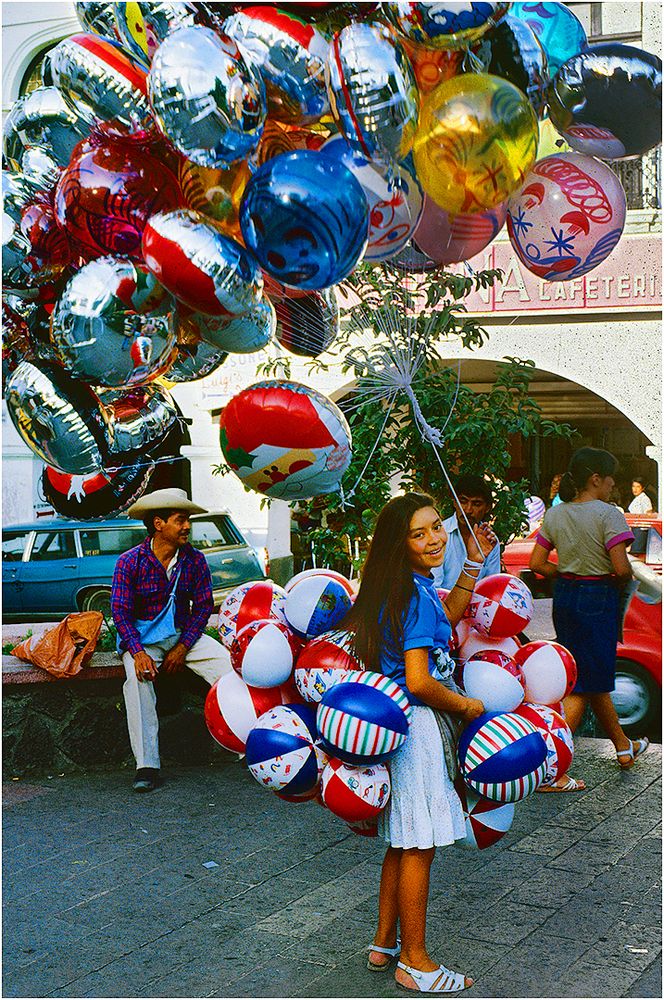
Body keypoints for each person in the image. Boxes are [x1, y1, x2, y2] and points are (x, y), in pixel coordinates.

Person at [342, 492, 497, 993]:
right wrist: (469, 706)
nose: (434, 539)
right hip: (420, 727)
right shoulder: (411, 593)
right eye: (419, 533)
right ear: (399, 543)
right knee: (420, 846)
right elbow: (419, 679)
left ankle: (384, 942)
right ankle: (415, 961)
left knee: (402, 841)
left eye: (437, 528)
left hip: (397, 728)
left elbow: (443, 617)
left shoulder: (407, 587)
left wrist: (473, 563)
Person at [529, 448, 649, 791]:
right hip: (598, 598)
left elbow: (538, 564)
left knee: (585, 674)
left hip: (565, 597)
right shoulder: (609, 515)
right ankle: (549, 764)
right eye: (611, 478)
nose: (614, 485)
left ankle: (623, 746)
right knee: (583, 681)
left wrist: (566, 573)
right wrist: (615, 580)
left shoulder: (556, 515)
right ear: (596, 479)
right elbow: (622, 568)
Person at [111, 488, 231, 793]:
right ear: (159, 524)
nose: (187, 526)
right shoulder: (129, 562)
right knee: (136, 684)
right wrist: (137, 653)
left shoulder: (195, 561)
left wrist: (182, 647)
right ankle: (147, 765)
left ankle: (248, 745)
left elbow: (203, 607)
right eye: (180, 520)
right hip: (143, 642)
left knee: (230, 669)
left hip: (182, 637)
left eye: (187, 520)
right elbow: (121, 614)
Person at [431, 474, 500, 590]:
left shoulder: (490, 541)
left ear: (487, 507)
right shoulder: (439, 534)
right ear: (454, 502)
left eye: (476, 504)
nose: (468, 510)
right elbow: (434, 587)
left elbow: (491, 586)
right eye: (463, 501)